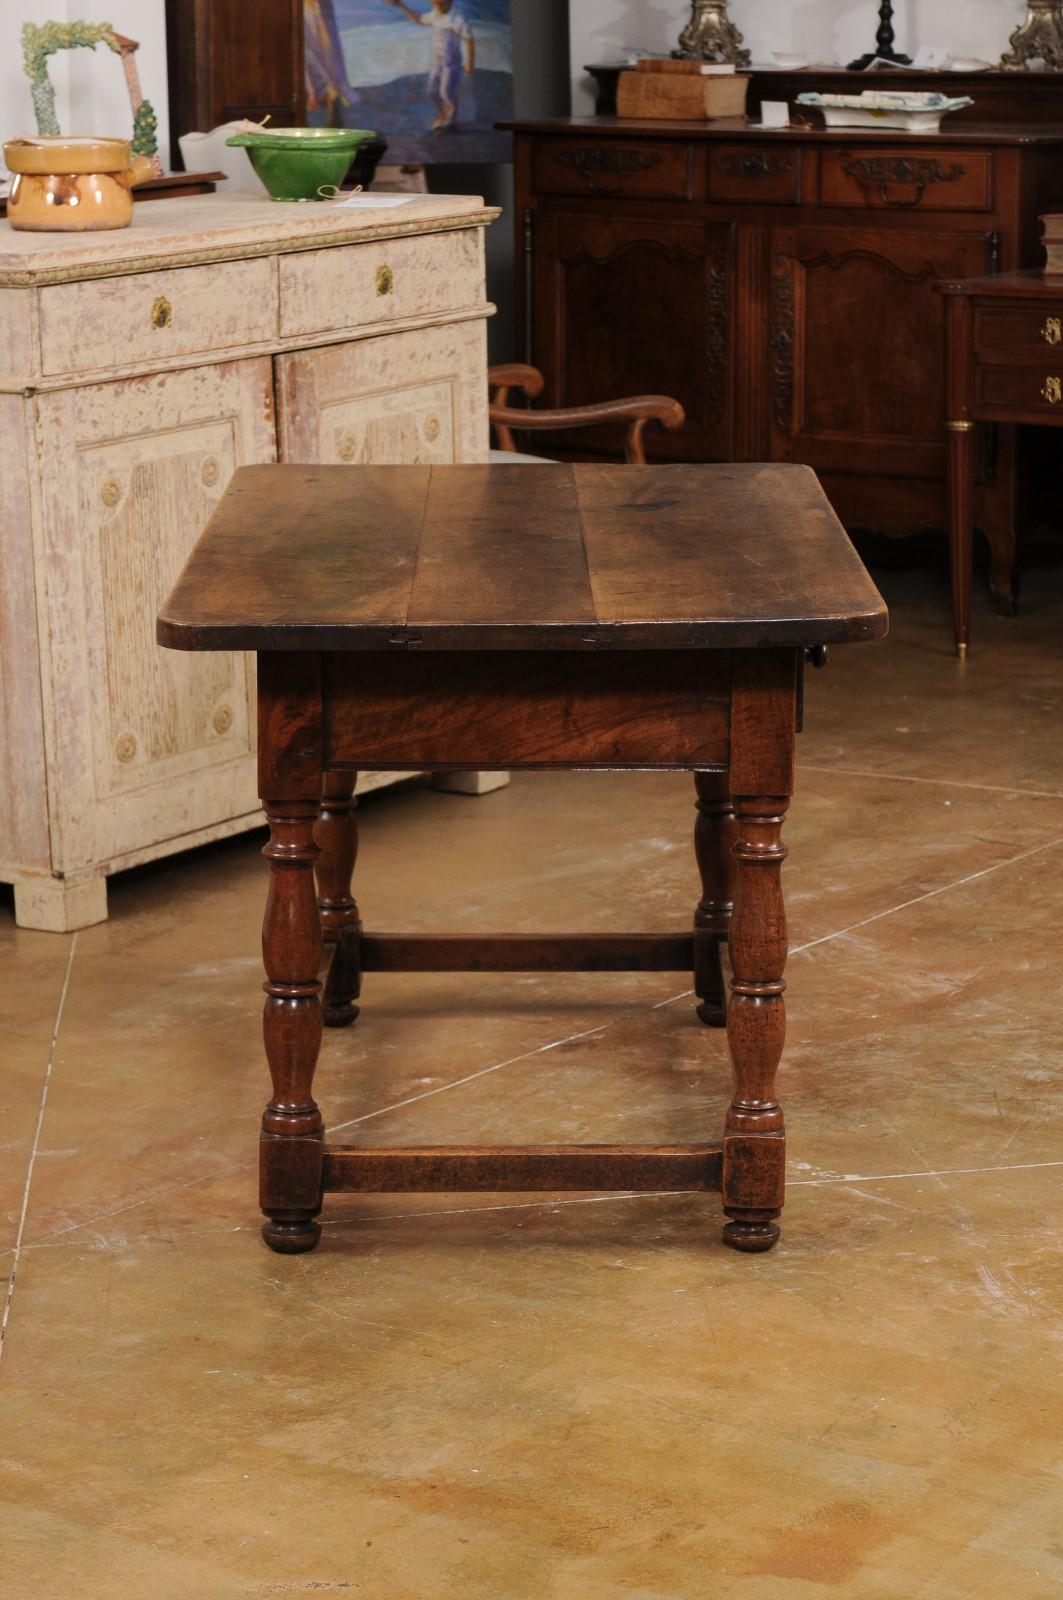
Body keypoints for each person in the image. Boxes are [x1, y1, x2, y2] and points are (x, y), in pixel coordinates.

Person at [385, 0, 475, 133]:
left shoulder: (456, 18)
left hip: (452, 64)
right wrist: (401, 5)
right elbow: (418, 19)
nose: (435, 5)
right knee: (432, 91)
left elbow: (469, 39)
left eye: (439, 3)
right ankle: (443, 113)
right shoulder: (435, 15)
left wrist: (470, 62)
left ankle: (451, 117)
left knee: (446, 91)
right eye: (434, 3)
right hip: (437, 62)